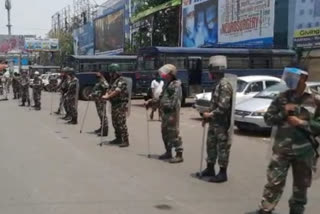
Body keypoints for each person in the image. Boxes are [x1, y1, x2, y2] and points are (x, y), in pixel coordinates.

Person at [247, 68, 320, 214]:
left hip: (304, 151)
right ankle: (266, 209)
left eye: (293, 76)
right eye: (288, 76)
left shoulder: (316, 100)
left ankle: (296, 211)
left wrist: (301, 123)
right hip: (282, 149)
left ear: (304, 78)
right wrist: (283, 113)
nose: (289, 80)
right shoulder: (281, 98)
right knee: (274, 181)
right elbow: (268, 119)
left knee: (301, 185)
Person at [199, 55, 234, 183]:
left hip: (222, 125)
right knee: (211, 146)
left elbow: (223, 107)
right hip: (214, 123)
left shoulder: (224, 86)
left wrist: (210, 115)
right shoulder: (218, 84)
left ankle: (222, 173)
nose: (209, 74)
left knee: (222, 148)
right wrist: (207, 116)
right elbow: (213, 104)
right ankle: (210, 168)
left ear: (215, 71)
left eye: (211, 71)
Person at [158, 64, 184, 164]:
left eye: (166, 74)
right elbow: (162, 97)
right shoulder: (168, 83)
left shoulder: (176, 84)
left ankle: (179, 154)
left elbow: (175, 100)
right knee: (164, 133)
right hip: (165, 113)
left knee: (173, 133)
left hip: (172, 113)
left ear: (171, 74)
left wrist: (169, 108)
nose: (164, 76)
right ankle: (168, 152)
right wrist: (152, 102)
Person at [102, 64, 130, 148]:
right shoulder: (113, 81)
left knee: (121, 122)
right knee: (115, 122)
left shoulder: (121, 81)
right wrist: (106, 95)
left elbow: (117, 91)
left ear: (115, 72)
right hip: (114, 105)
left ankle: (125, 140)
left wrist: (108, 96)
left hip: (121, 104)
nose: (110, 74)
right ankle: (118, 138)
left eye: (111, 72)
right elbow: (109, 90)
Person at [91, 71, 110, 136]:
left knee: (103, 115)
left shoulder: (103, 80)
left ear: (101, 74)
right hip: (98, 100)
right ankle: (101, 128)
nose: (96, 74)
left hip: (101, 100)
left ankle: (105, 131)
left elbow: (107, 88)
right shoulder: (99, 80)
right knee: (100, 114)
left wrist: (104, 95)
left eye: (97, 73)